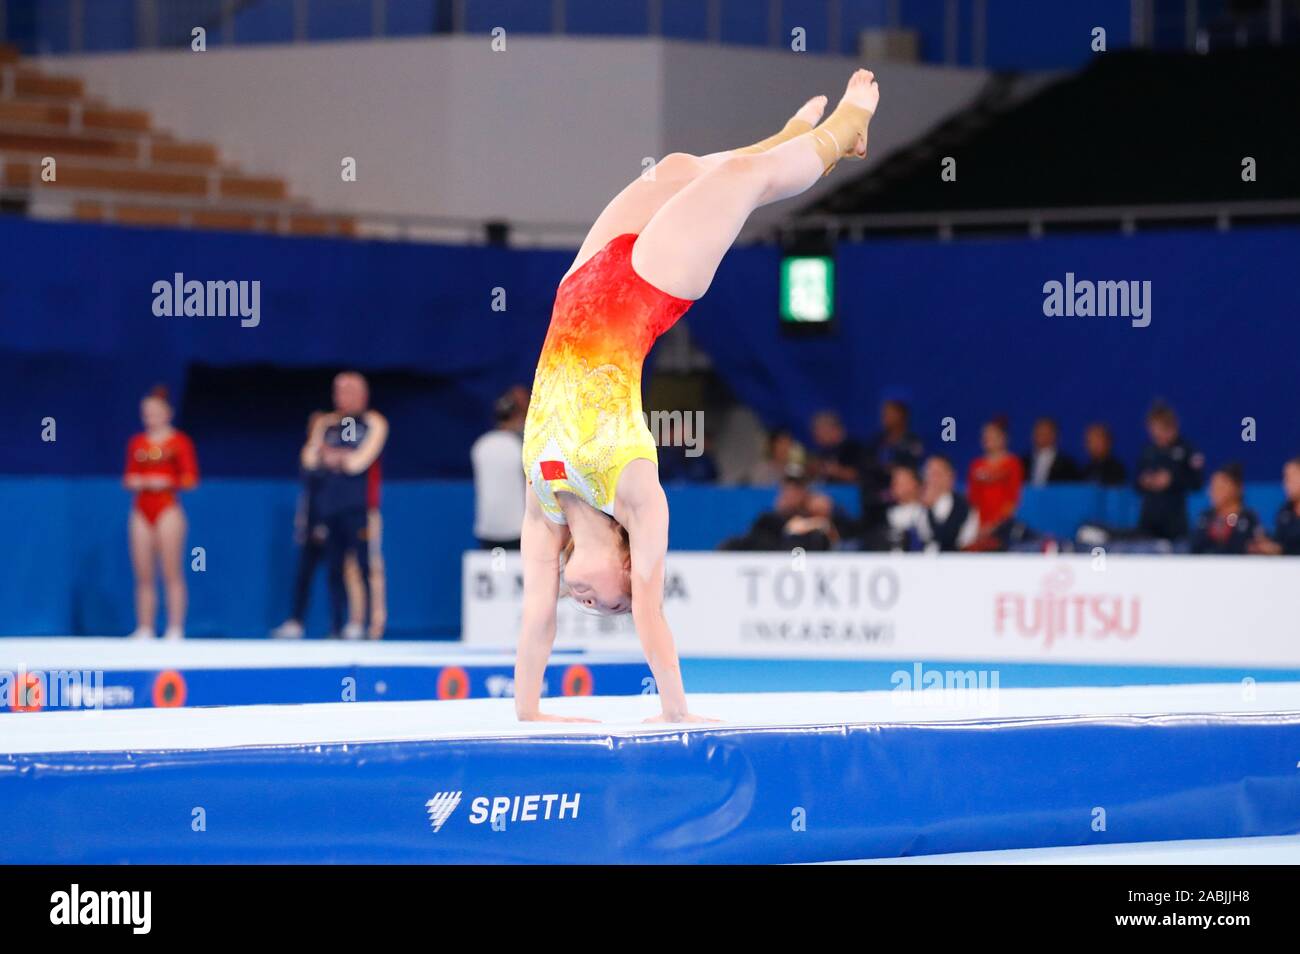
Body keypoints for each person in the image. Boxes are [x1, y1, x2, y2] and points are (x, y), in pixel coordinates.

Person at [515, 71, 880, 722]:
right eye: (612, 604)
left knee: (680, 168)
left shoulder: (543, 507)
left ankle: (790, 137)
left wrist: (530, 711)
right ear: (629, 564)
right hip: (649, 291)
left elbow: (535, 612)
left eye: (594, 609)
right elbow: (653, 612)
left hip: (579, 286)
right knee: (739, 184)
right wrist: (676, 711)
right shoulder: (634, 490)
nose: (592, 608)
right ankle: (840, 135)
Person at [303, 372, 389, 639]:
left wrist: (332, 457)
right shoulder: (327, 424)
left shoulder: (374, 422)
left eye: (348, 390)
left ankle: (372, 625)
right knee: (335, 568)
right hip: (331, 507)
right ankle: (339, 625)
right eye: (337, 390)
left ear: (362, 394)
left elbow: (357, 463)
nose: (341, 396)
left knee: (366, 567)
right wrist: (334, 457)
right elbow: (308, 458)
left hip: (362, 508)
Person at [123, 385, 199, 640]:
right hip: (142, 508)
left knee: (171, 570)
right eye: (146, 413)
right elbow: (129, 477)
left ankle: (175, 627)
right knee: (143, 572)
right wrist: (140, 482)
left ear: (168, 413)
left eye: (155, 412)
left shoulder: (179, 442)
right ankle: (145, 627)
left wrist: (165, 481)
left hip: (167, 508)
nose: (150, 417)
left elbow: (190, 479)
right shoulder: (137, 443)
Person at [1135, 401, 1204, 541]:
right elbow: (1136, 483)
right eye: (1153, 428)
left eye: (1160, 427)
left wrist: (1172, 480)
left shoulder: (1186, 450)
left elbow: (1197, 482)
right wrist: (1144, 481)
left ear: (1171, 426)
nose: (1156, 432)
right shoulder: (1148, 451)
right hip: (1149, 519)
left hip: (1174, 522)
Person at [471, 387, 529, 549]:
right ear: (519, 417)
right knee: (518, 573)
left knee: (497, 571)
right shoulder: (520, 447)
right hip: (518, 530)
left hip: (487, 529)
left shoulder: (481, 445)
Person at [859, 398, 925, 530]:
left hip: (902, 500)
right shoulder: (877, 442)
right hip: (878, 499)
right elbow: (868, 467)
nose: (884, 418)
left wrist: (894, 473)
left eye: (889, 413)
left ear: (901, 416)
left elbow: (911, 469)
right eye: (883, 414)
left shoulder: (912, 442)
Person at [966, 416, 1023, 551]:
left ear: (1003, 438)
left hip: (1002, 526)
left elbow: (1012, 499)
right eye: (985, 436)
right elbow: (972, 499)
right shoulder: (976, 465)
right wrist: (976, 526)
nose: (987, 439)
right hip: (978, 526)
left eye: (993, 435)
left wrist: (994, 525)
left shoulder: (1012, 463)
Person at [1190, 464, 1259, 555]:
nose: (1213, 492)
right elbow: (1194, 548)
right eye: (1212, 487)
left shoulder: (1248, 518)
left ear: (1236, 488)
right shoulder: (1205, 517)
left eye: (1220, 487)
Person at [920, 454, 980, 552]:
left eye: (936, 474)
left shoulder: (964, 507)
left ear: (951, 476)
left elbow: (966, 540)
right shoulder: (919, 507)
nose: (932, 480)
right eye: (928, 474)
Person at [1249, 457, 1300, 556]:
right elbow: (1279, 543)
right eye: (1285, 477)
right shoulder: (1285, 512)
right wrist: (1267, 545)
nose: (1286, 483)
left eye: (1291, 477)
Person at [808, 409, 866, 483]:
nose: (816, 437)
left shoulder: (854, 448)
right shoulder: (825, 451)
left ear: (833, 429)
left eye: (819, 432)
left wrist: (836, 471)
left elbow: (860, 475)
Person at [1021, 416, 1080, 486]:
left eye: (1045, 432)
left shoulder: (1067, 465)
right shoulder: (1023, 462)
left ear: (1054, 435)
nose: (1040, 435)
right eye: (1038, 431)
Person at [1080, 422, 1127, 486]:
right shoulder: (1086, 470)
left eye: (1098, 440)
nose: (1094, 445)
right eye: (1090, 441)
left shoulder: (1116, 469)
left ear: (1108, 442)